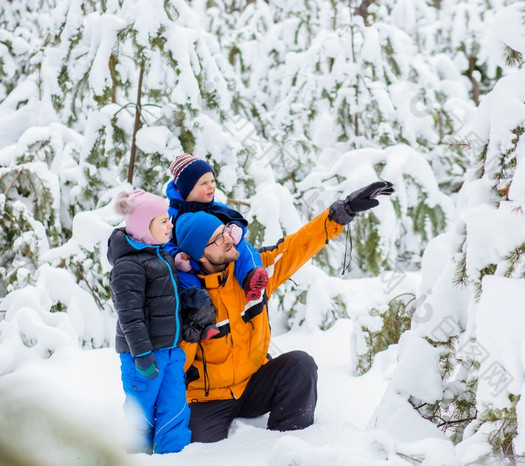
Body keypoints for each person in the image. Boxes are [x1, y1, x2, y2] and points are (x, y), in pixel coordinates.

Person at [173, 181, 395, 443]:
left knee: (300, 365)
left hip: (254, 383)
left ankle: (288, 447)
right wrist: (191, 331)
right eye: (217, 240)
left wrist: (341, 213)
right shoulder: (183, 298)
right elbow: (175, 367)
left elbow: (295, 247)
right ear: (199, 255)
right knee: (198, 454)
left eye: (225, 232)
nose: (228, 241)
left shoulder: (250, 274)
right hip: (207, 398)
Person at [107, 190, 192, 454]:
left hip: (170, 350)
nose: (170, 225)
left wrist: (192, 298)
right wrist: (142, 354)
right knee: (140, 415)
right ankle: (134, 457)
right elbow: (129, 316)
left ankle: (175, 455)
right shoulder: (128, 267)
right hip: (142, 357)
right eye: (163, 221)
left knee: (175, 407)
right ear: (145, 226)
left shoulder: (161, 256)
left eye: (169, 219)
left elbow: (168, 299)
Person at [165, 153, 268, 301]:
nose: (211, 187)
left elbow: (237, 219)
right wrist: (175, 256)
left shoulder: (215, 207)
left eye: (212, 181)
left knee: (243, 249)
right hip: (192, 263)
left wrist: (236, 228)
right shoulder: (172, 216)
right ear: (187, 189)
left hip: (219, 256)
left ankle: (250, 277)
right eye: (203, 183)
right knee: (182, 279)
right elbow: (163, 242)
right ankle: (197, 311)